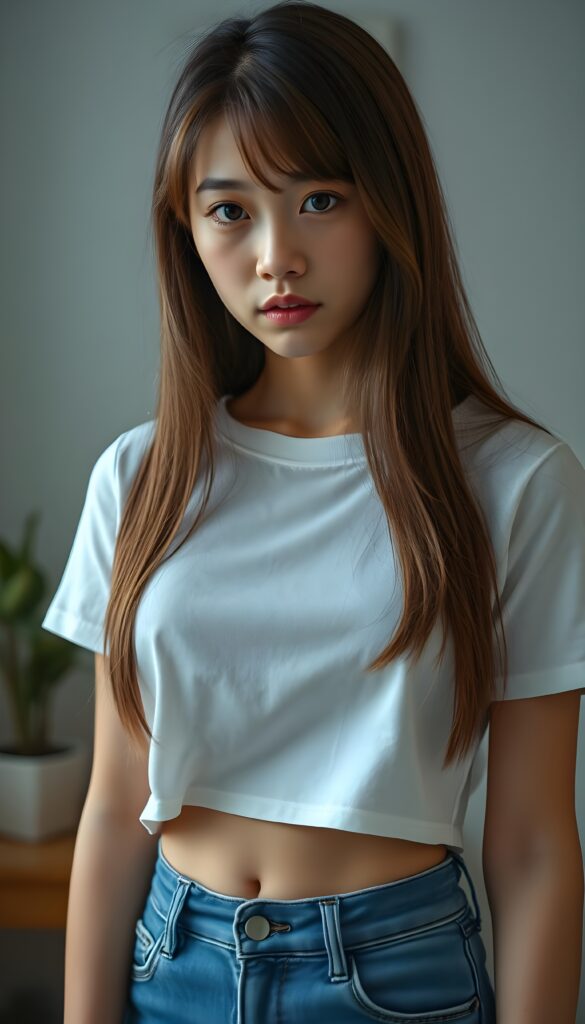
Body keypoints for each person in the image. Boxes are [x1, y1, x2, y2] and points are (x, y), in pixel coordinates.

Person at [41, 3, 585, 1022]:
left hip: (396, 976)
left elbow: (532, 844)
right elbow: (115, 808)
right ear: (185, 229)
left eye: (320, 199)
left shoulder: (514, 480)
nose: (276, 256)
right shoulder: (143, 473)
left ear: (390, 205)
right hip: (171, 963)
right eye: (229, 210)